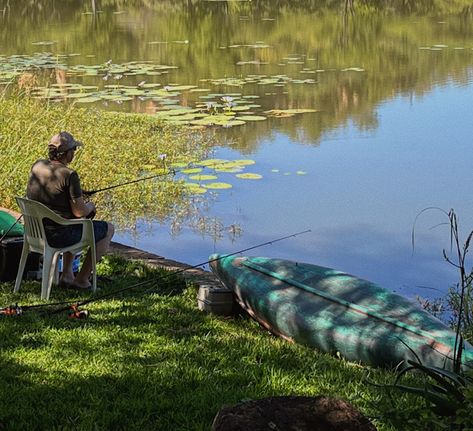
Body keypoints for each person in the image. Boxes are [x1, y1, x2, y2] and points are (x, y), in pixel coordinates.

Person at [26, 131, 114, 289]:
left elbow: (55, 195)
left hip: (37, 233)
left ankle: (67, 275)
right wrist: (90, 206)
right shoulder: (69, 174)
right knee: (108, 229)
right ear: (66, 154)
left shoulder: (37, 165)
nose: (74, 152)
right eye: (73, 149)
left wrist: (77, 194)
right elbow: (80, 212)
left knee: (72, 220)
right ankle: (81, 279)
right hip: (58, 236)